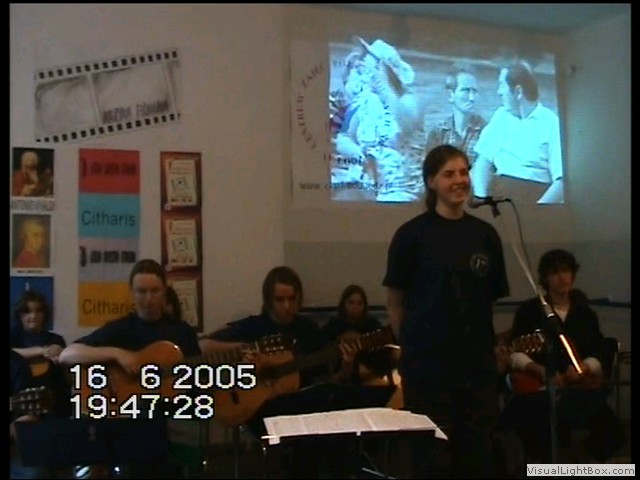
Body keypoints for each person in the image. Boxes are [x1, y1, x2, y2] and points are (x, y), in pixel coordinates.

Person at [383, 144, 510, 478]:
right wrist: (412, 348)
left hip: (477, 372)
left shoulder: (485, 235)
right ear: (431, 182)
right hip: (428, 372)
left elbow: (489, 300)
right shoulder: (411, 235)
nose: (460, 180)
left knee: (478, 459)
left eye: (464, 172)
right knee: (431, 461)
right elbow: (395, 303)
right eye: (449, 174)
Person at [199, 266, 363, 479]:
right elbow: (204, 345)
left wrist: (347, 365)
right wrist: (247, 349)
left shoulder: (308, 330)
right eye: (279, 300)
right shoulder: (254, 326)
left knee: (332, 414)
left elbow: (330, 380)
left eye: (291, 299)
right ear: (269, 300)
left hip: (304, 407)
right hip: (260, 407)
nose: (287, 306)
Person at [58, 258, 201, 479]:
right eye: (141, 291)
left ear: (165, 291)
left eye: (154, 291)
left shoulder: (182, 332)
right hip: (127, 422)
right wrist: (117, 354)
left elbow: (197, 378)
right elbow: (67, 355)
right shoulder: (120, 329)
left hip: (169, 421)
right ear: (132, 293)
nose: (148, 298)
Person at [493, 249, 626, 474]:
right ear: (545, 278)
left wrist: (583, 367)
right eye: (555, 273)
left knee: (611, 429)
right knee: (540, 427)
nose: (562, 278)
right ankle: (547, 468)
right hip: (541, 390)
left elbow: (599, 350)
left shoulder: (585, 314)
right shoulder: (530, 311)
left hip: (578, 389)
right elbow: (516, 351)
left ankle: (580, 467)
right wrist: (539, 370)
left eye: (566, 271)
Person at [332, 37, 421, 202]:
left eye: (369, 64)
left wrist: (383, 87)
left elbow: (406, 126)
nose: (363, 68)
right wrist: (356, 152)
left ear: (385, 69)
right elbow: (344, 136)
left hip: (401, 187)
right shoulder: (367, 101)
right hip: (368, 183)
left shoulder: (409, 100)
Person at [471, 61, 563, 205]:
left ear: (518, 92)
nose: (498, 92)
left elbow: (561, 182)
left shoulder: (551, 124)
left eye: (502, 85)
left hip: (533, 198)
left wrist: (537, 210)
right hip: (499, 195)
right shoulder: (500, 116)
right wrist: (481, 198)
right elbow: (482, 163)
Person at [11, 289, 71, 421]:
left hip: (51, 404)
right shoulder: (13, 336)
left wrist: (59, 352)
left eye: (38, 311)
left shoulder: (55, 339)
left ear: (45, 314)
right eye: (27, 311)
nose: (33, 316)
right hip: (17, 403)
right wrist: (41, 351)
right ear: (20, 314)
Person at [321, 284, 399, 385]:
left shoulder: (371, 324)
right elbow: (321, 344)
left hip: (369, 369)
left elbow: (384, 346)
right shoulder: (335, 324)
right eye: (351, 303)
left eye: (360, 303)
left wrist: (361, 341)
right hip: (342, 374)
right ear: (343, 304)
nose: (355, 308)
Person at [424, 62, 487, 168]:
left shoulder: (487, 133)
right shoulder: (438, 133)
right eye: (466, 91)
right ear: (451, 95)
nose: (472, 98)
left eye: (474, 91)